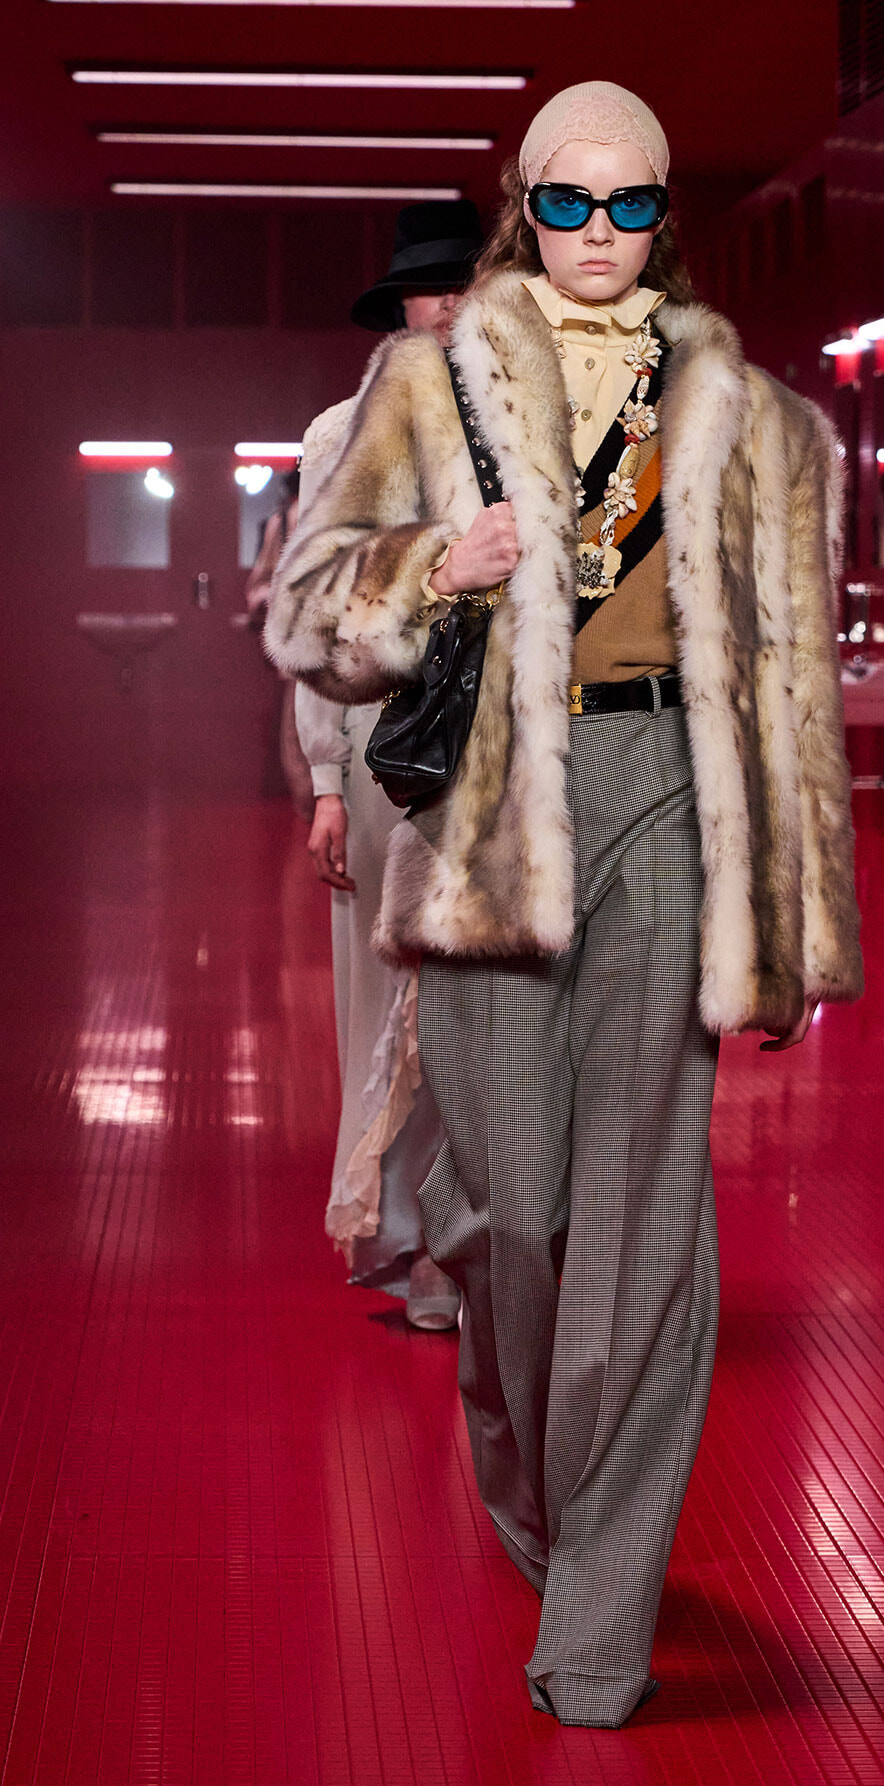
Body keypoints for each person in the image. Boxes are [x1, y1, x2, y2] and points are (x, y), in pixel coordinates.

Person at [267, 82, 862, 1727]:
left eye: (635, 206)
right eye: (571, 203)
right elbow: (313, 622)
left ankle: (598, 1623)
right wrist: (434, 572)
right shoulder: (424, 398)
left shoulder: (757, 420)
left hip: (672, 798)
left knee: (644, 1220)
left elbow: (796, 685)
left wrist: (799, 919)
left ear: (668, 220)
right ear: (526, 210)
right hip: (484, 822)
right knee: (508, 1216)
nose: (603, 234)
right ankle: (537, 1492)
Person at [294, 200, 485, 1329]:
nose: (452, 302)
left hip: (498, 746)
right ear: (400, 310)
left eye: (469, 282)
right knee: (387, 990)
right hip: (380, 746)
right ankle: (407, 1241)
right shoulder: (337, 434)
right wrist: (324, 781)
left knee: (485, 989)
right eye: (430, 287)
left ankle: (475, 1243)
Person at [245, 466, 312, 817]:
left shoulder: (284, 520)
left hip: (299, 642)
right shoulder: (291, 520)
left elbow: (259, 584)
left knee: (298, 735)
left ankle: (314, 814)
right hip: (338, 642)